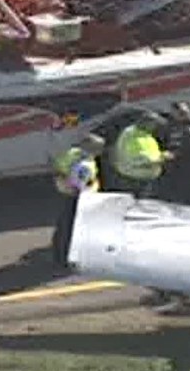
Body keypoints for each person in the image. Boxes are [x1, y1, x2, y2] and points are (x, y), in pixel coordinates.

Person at [51, 133, 105, 267]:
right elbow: (79, 184)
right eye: (99, 148)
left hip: (63, 191)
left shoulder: (72, 153)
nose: (101, 151)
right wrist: (91, 184)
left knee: (63, 225)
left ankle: (58, 253)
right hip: (76, 197)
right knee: (72, 228)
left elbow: (58, 165)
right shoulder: (85, 165)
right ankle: (64, 257)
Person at [112, 111, 173, 198]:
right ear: (145, 122)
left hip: (146, 181)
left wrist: (162, 154)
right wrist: (161, 158)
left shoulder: (146, 135)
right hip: (135, 181)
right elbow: (136, 158)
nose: (155, 127)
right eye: (154, 124)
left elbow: (150, 153)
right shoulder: (131, 135)